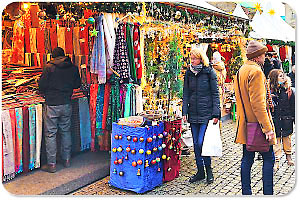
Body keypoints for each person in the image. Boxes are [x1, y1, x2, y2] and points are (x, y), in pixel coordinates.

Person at [234, 40, 276, 195]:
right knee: (269, 158)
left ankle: (246, 193)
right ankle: (268, 193)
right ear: (257, 56)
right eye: (263, 54)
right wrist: (268, 128)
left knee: (247, 159)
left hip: (245, 124)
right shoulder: (256, 72)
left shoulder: (241, 70)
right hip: (257, 125)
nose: (264, 57)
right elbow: (258, 103)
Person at [38, 47, 81, 173]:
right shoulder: (73, 68)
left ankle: (52, 164)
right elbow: (77, 84)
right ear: (64, 55)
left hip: (52, 104)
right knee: (65, 131)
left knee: (50, 133)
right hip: (66, 103)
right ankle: (66, 159)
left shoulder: (48, 67)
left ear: (53, 56)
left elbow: (41, 86)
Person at [182, 48, 220, 184]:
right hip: (193, 112)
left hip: (206, 113)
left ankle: (209, 170)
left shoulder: (209, 72)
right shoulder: (189, 73)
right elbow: (186, 93)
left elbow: (215, 93)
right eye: (191, 58)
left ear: (201, 59)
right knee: (196, 145)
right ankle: (200, 172)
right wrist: (184, 112)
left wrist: (216, 113)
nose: (192, 61)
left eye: (194, 58)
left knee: (201, 142)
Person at [268, 69, 295, 171]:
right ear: (275, 78)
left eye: (283, 76)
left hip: (287, 120)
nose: (282, 78)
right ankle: (277, 161)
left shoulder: (288, 91)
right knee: (276, 142)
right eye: (280, 76)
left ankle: (289, 156)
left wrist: (294, 119)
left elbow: (293, 107)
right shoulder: (270, 91)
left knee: (287, 140)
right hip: (275, 121)